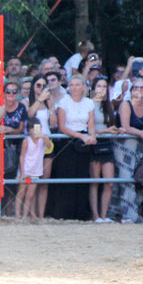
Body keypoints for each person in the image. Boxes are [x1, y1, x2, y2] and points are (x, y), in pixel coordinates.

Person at [111, 77, 143, 223]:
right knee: (126, 179)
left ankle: (134, 213)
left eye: (142, 88)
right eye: (136, 88)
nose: (139, 90)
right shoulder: (125, 105)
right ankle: (126, 215)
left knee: (139, 180)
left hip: (140, 147)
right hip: (125, 146)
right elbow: (126, 126)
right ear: (131, 90)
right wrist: (142, 133)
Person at [56, 75, 97, 220]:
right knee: (67, 177)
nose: (74, 88)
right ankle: (65, 214)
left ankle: (82, 214)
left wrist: (91, 136)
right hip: (68, 142)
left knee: (83, 176)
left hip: (84, 144)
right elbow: (62, 127)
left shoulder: (89, 103)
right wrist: (81, 136)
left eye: (77, 85)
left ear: (83, 87)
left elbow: (91, 124)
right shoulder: (63, 103)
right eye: (71, 85)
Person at [0, 80, 28, 213]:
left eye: (14, 91)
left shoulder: (21, 108)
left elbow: (21, 129)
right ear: (3, 93)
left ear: (18, 94)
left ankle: (6, 212)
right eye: (8, 91)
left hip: (13, 149)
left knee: (9, 184)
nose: (11, 94)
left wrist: (9, 130)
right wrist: (0, 115)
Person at [27, 74, 58, 218]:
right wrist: (39, 99)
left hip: (46, 141)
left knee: (44, 181)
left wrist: (51, 107)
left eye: (43, 85)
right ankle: (31, 214)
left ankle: (40, 215)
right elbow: (29, 116)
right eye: (38, 85)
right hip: (33, 143)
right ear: (33, 86)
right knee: (33, 181)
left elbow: (53, 123)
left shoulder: (49, 102)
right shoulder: (28, 101)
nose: (40, 88)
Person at [88, 76, 117, 223]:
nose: (101, 89)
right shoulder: (88, 104)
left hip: (107, 143)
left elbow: (109, 125)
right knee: (95, 181)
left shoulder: (108, 105)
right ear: (93, 88)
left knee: (109, 182)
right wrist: (105, 131)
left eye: (104, 87)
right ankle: (95, 216)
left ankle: (104, 215)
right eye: (99, 86)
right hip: (94, 142)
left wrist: (115, 130)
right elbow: (88, 128)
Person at [15, 123, 46, 218]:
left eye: (38, 128)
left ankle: (24, 216)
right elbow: (22, 156)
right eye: (33, 128)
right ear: (29, 130)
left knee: (30, 195)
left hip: (36, 171)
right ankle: (17, 215)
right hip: (26, 169)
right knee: (21, 193)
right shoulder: (26, 141)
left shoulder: (42, 140)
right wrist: (22, 172)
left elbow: (49, 146)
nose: (36, 131)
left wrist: (44, 137)